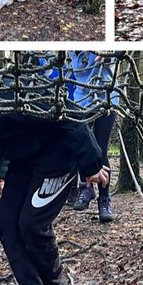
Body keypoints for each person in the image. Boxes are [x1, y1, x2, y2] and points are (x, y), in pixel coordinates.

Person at [0, 90, 108, 285]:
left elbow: (66, 112)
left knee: (32, 224)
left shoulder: (4, 98)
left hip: (57, 153)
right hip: (25, 159)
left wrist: (91, 162)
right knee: (5, 221)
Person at [63, 52, 120, 223]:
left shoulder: (99, 48)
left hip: (105, 96)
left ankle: (104, 200)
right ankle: (86, 187)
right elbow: (66, 70)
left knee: (100, 149)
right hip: (82, 99)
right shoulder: (70, 52)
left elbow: (113, 56)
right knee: (82, 143)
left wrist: (106, 55)